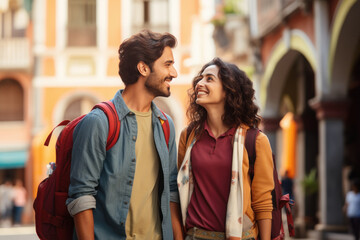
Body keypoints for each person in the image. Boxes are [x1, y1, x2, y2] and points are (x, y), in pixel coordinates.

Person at [66, 30, 182, 240]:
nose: (174, 73)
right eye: (167, 64)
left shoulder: (166, 125)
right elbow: (81, 197)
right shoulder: (99, 122)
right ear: (143, 68)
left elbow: (171, 192)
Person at [177, 58, 274, 240]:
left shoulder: (255, 141)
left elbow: (263, 202)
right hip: (195, 236)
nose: (200, 83)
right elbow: (177, 190)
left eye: (209, 79)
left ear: (228, 90)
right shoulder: (189, 136)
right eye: (200, 78)